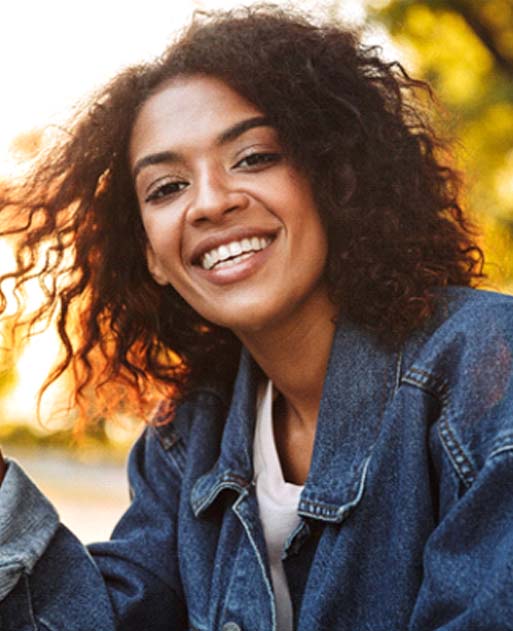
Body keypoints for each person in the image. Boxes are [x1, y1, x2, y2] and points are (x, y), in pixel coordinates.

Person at [0, 5, 512, 630]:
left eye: (253, 157)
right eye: (166, 188)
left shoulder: (487, 368)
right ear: (151, 257)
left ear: (336, 178)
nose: (211, 202)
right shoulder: (186, 438)